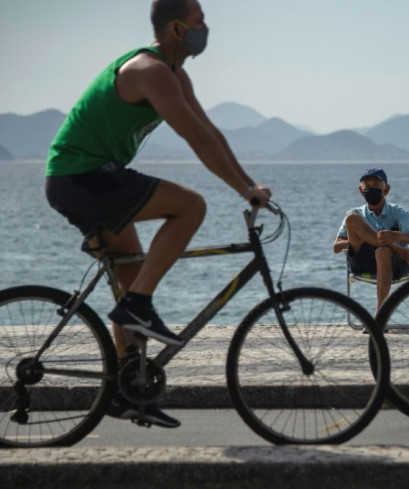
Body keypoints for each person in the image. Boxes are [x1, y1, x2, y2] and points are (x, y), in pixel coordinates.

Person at [45, 0, 270, 428]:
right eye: (200, 21)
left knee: (131, 276)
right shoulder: (150, 71)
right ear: (177, 29)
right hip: (82, 178)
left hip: (91, 178)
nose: (207, 28)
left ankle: (125, 394)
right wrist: (243, 189)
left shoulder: (174, 74)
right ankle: (138, 306)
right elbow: (197, 142)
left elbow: (211, 133)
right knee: (190, 206)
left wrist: (250, 185)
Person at [334, 168, 409, 313]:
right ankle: (401, 251)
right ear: (361, 190)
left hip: (393, 264)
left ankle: (380, 314)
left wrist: (396, 236)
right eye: (367, 186)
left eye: (376, 185)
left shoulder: (399, 213)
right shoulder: (356, 213)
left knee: (382, 251)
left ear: (386, 189)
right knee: (352, 219)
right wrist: (362, 238)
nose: (371, 189)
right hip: (363, 263)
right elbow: (336, 246)